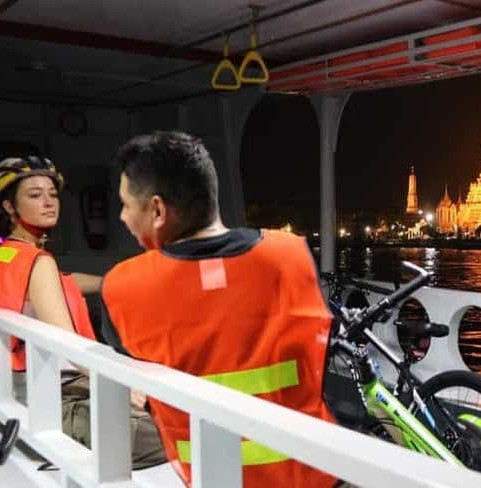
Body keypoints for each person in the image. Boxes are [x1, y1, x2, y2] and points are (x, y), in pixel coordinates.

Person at [99, 131, 336, 487]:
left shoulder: (122, 288)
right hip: (312, 475)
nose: (122, 217)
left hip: (211, 478)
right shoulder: (291, 256)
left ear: (158, 210)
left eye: (126, 205)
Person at [0, 156, 165, 469]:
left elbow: (62, 281)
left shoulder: (5, 255)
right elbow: (68, 343)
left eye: (52, 194)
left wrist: (113, 282)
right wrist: (119, 385)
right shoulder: (39, 262)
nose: (48, 202)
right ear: (10, 207)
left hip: (20, 389)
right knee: (174, 432)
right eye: (35, 195)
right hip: (55, 399)